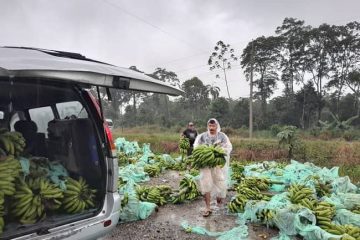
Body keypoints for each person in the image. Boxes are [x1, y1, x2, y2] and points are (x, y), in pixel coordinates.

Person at [193, 118, 232, 217]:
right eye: (210, 126)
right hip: (205, 164)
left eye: (213, 126)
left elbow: (228, 147)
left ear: (217, 126)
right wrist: (206, 152)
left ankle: (220, 197)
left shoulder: (222, 136)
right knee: (206, 184)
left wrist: (218, 151)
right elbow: (196, 147)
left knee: (221, 182)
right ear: (208, 126)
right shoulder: (202, 136)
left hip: (217, 165)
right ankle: (207, 207)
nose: (211, 128)